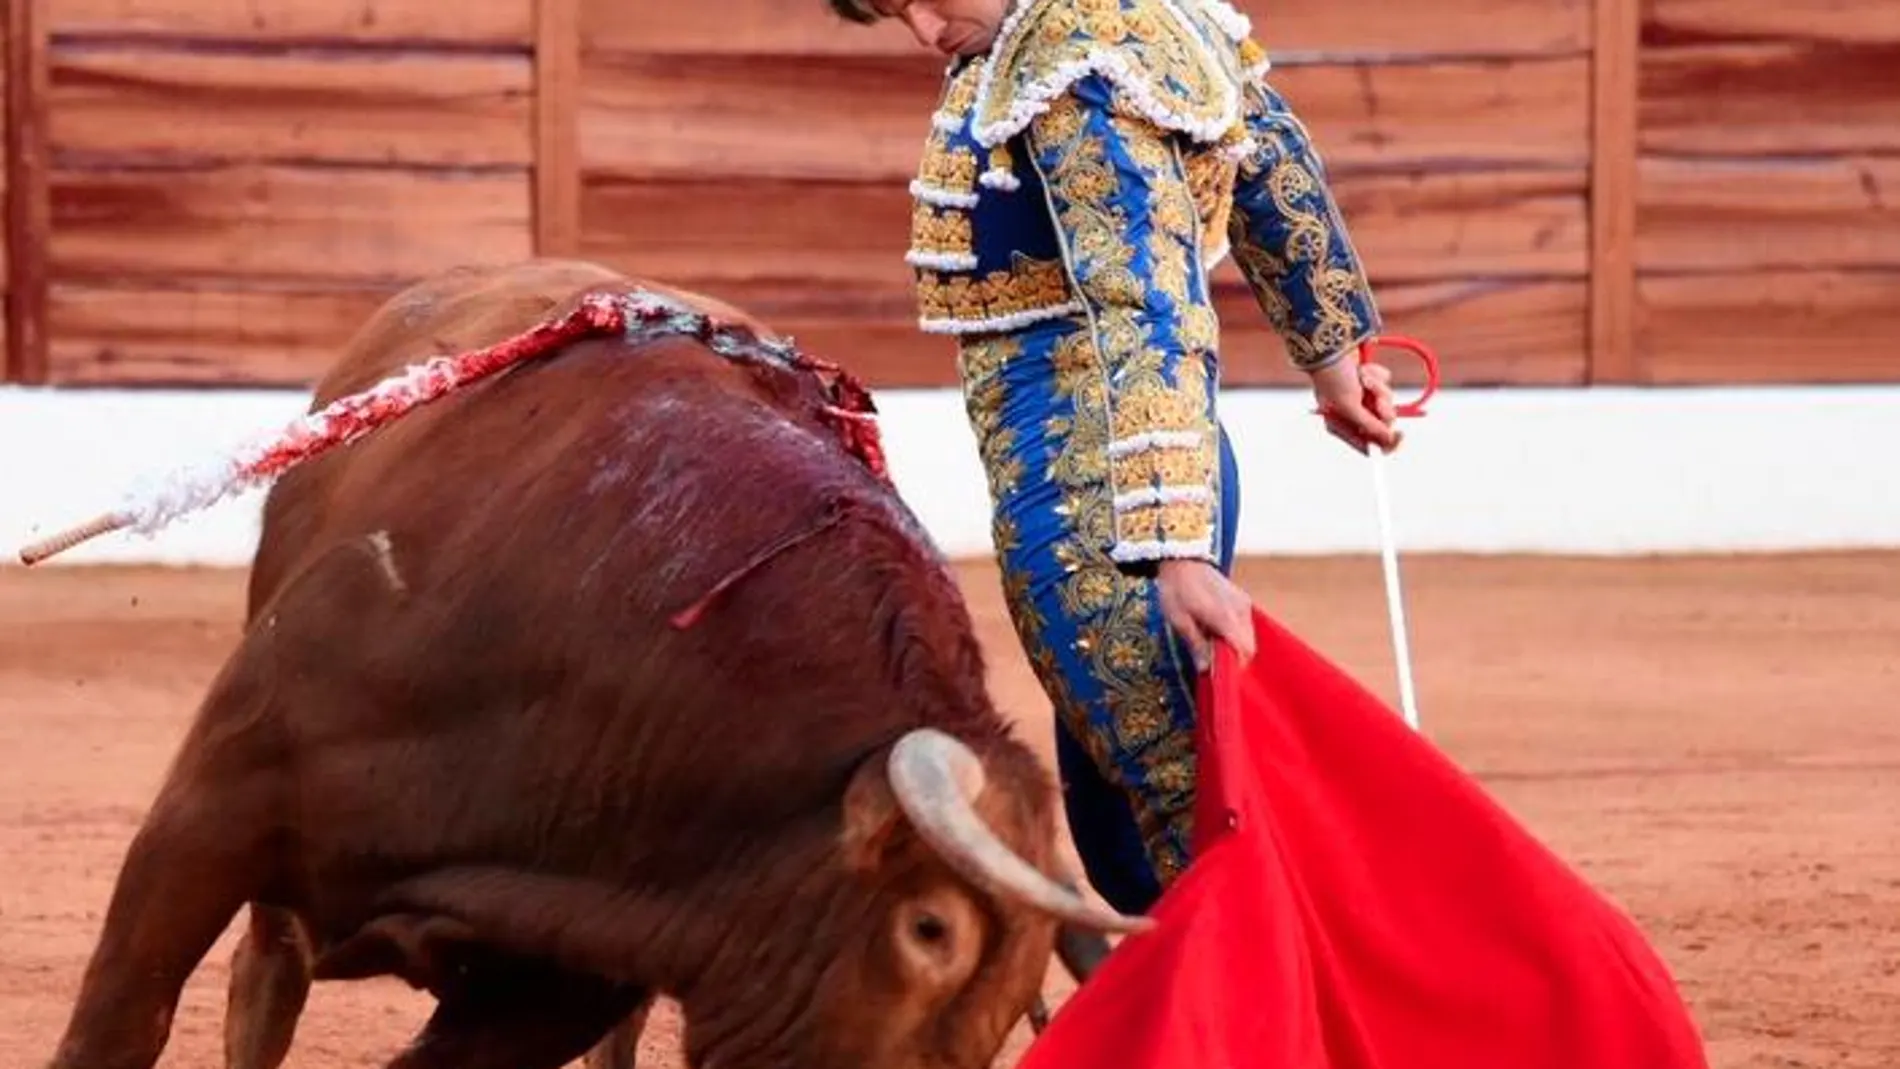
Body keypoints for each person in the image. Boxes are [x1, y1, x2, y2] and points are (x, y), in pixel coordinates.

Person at [830, 0, 1402, 916]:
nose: (927, 31)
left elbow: (1150, 307)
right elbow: (1268, 162)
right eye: (898, 14)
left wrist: (1171, 548)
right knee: (1140, 811)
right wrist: (1336, 363)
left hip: (1097, 481)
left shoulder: (1071, 60)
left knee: (1160, 837)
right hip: (1146, 465)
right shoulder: (1138, 16)